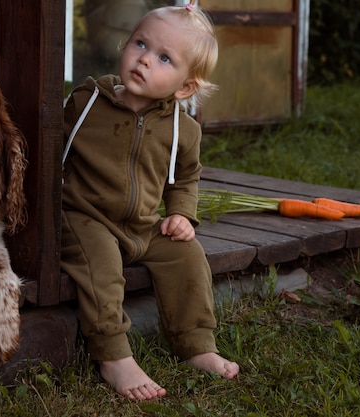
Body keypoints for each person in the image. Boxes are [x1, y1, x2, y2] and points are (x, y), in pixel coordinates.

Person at [60, 0, 240, 400]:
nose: (144, 60)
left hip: (141, 225)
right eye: (140, 44)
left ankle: (196, 344)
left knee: (187, 254)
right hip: (84, 216)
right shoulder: (86, 103)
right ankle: (112, 354)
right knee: (102, 263)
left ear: (184, 86)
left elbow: (185, 178)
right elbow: (51, 150)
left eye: (163, 58)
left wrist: (181, 214)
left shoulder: (183, 129)